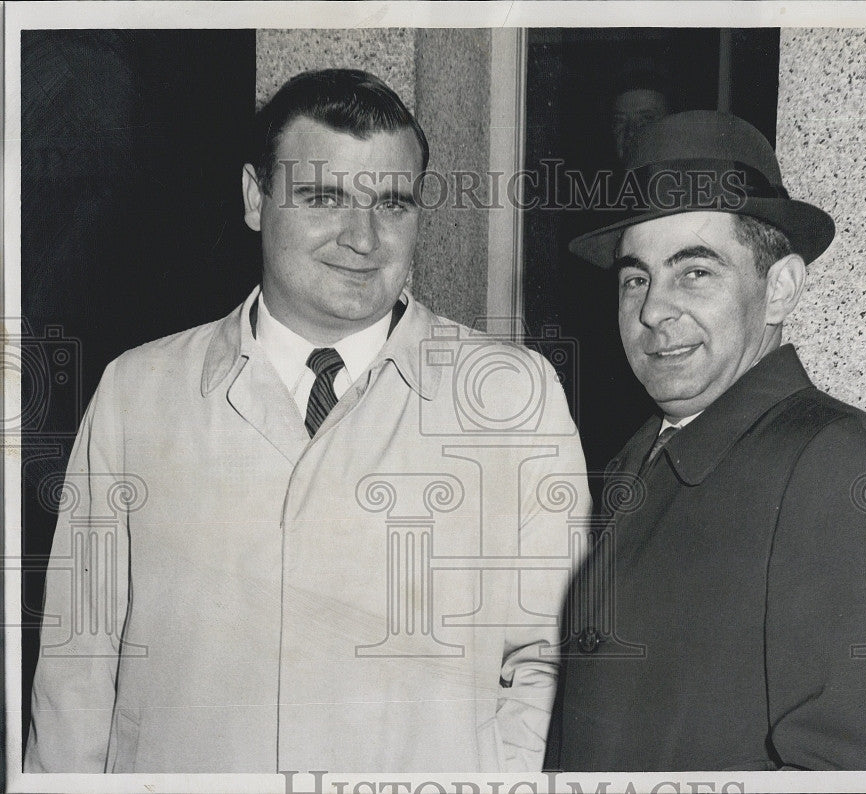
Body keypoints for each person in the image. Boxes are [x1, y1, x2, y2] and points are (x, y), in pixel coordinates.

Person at [25, 68, 588, 773]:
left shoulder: (510, 395)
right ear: (255, 198)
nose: (365, 237)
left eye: (393, 203)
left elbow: (550, 658)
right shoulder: (138, 391)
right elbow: (78, 663)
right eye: (325, 197)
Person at [544, 110, 866, 771]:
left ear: (781, 289)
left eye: (695, 271)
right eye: (636, 277)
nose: (653, 308)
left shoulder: (843, 463)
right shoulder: (638, 462)